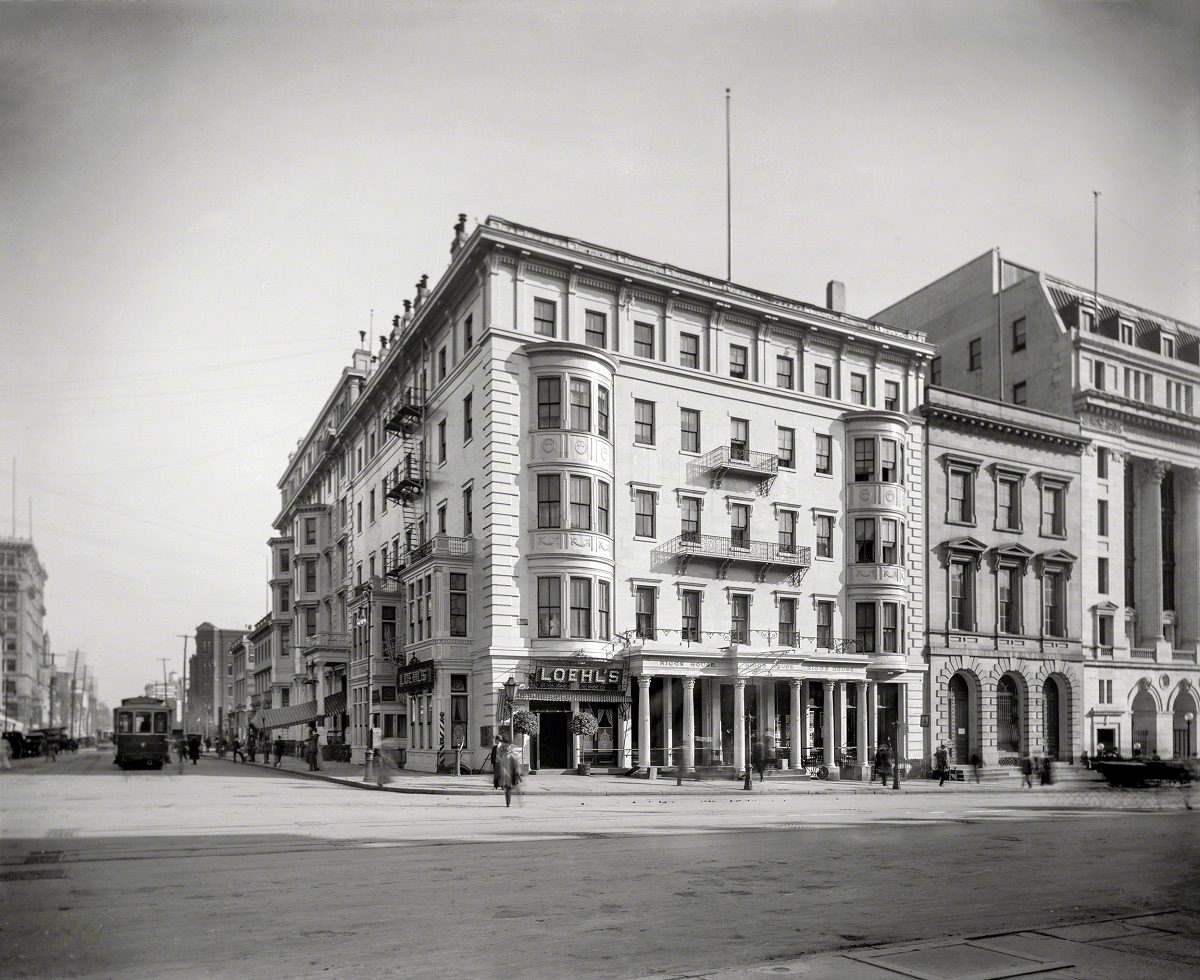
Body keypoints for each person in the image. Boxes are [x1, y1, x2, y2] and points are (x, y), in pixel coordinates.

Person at [497, 736, 522, 807]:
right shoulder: (505, 756)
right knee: (508, 790)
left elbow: (516, 765)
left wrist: (517, 770)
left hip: (510, 775)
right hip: (507, 776)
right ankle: (508, 802)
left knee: (509, 789)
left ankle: (508, 802)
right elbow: (502, 766)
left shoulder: (511, 756)